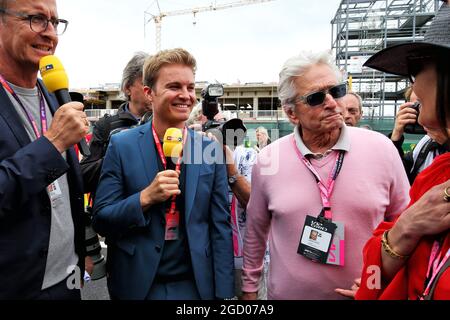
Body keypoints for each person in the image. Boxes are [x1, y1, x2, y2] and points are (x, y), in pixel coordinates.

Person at [241, 50, 410, 300]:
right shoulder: (269, 159)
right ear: (291, 113)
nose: (331, 102)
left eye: (337, 91)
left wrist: (382, 278)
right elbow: (255, 231)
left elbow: (405, 226)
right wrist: (249, 290)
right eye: (316, 98)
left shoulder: (382, 149)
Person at [92, 48, 234, 300]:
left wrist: (224, 293)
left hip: (195, 287)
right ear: (149, 93)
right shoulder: (122, 145)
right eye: (174, 86)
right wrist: (144, 198)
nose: (185, 95)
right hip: (137, 285)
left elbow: (220, 226)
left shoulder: (209, 148)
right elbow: (102, 218)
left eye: (190, 87)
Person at [356, 0, 450, 300]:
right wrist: (403, 229)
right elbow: (372, 282)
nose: (420, 118)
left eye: (416, 69)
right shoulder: (436, 176)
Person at [0, 0, 88, 299]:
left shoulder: (53, 96)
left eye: (55, 22)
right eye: (37, 19)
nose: (50, 33)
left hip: (69, 278)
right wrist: (52, 144)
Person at [81, 52, 152, 198]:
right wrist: (117, 156)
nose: (152, 89)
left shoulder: (165, 124)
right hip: (115, 211)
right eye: (146, 83)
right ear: (127, 88)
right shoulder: (106, 126)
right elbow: (83, 176)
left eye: (155, 83)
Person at [389, 86, 448, 185]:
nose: (418, 112)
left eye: (421, 104)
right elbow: (397, 175)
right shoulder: (426, 142)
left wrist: (447, 142)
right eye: (414, 106)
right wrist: (396, 137)